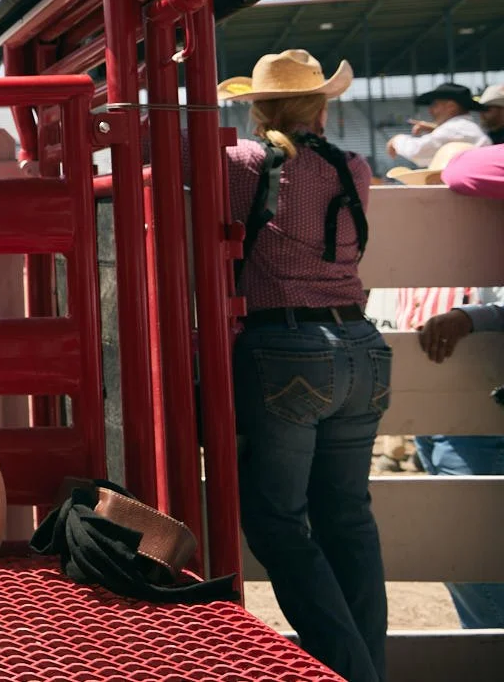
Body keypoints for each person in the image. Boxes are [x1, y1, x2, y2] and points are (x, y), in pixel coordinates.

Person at [215, 50, 388, 682]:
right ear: (322, 105)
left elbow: (154, 144)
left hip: (285, 345)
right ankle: (372, 667)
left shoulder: (241, 165)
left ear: (257, 108)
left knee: (275, 520)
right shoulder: (356, 167)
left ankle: (351, 672)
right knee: (347, 517)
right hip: (363, 345)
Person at [409, 142, 504, 629]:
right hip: (460, 389)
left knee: (466, 540)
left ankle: (489, 640)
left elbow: (468, 170)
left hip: (471, 397)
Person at [386, 81, 488, 166]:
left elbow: (418, 151)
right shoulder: (464, 127)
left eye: (435, 105)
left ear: (451, 106)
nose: (430, 110)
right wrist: (436, 129)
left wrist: (397, 140)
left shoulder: (455, 128)